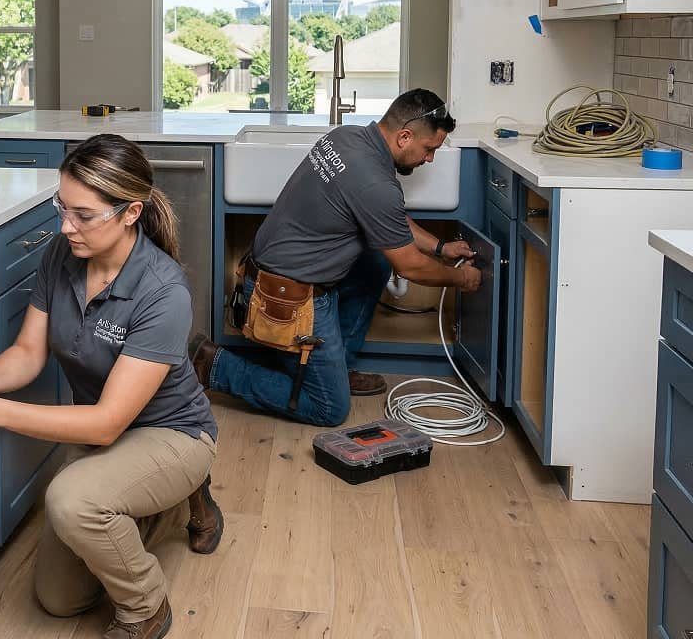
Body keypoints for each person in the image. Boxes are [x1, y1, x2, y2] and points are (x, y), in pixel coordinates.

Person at [0, 134, 222, 639]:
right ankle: (156, 500)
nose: (66, 226)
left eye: (84, 215)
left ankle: (147, 606)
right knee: (60, 599)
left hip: (171, 432)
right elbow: (28, 355)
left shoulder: (163, 290)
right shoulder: (63, 255)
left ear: (131, 212)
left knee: (71, 499)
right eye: (63, 208)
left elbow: (108, 423)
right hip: (104, 433)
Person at [189, 89, 482, 427]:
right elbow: (409, 264)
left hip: (269, 272)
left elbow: (387, 218)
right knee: (329, 408)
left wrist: (441, 248)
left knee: (375, 260)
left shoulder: (347, 137)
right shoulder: (375, 183)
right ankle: (216, 366)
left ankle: (336, 367)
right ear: (404, 137)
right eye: (429, 149)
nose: (429, 158)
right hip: (288, 298)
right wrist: (461, 278)